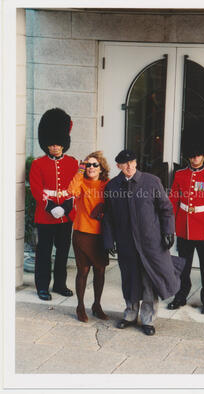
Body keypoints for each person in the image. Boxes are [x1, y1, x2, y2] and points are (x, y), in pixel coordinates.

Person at [102, 149, 185, 336]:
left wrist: (168, 232)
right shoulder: (112, 186)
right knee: (129, 280)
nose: (129, 166)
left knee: (149, 281)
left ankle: (148, 319)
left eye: (132, 162)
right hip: (126, 243)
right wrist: (109, 240)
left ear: (136, 162)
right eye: (125, 164)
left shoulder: (151, 181)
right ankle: (130, 314)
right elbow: (108, 217)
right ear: (118, 166)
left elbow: (166, 209)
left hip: (151, 243)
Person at [168, 117, 204, 314]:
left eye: (198, 155)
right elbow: (173, 200)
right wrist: (171, 225)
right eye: (192, 156)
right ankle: (181, 295)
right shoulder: (180, 175)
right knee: (182, 265)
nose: (195, 159)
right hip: (184, 226)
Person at [30, 108, 78, 301]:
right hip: (45, 216)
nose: (55, 147)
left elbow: (75, 188)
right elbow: (36, 189)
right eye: (52, 144)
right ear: (46, 144)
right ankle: (42, 286)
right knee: (44, 253)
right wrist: (50, 207)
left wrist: (65, 207)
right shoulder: (38, 164)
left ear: (64, 143)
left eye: (58, 144)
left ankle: (59, 284)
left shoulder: (73, 163)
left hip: (66, 216)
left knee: (63, 252)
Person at [68, 151, 110, 322]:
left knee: (100, 271)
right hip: (82, 233)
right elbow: (71, 190)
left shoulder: (107, 185)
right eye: (88, 164)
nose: (91, 167)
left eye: (95, 165)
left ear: (101, 168)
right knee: (83, 271)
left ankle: (97, 305)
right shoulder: (81, 183)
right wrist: (79, 171)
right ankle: (80, 307)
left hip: (100, 235)